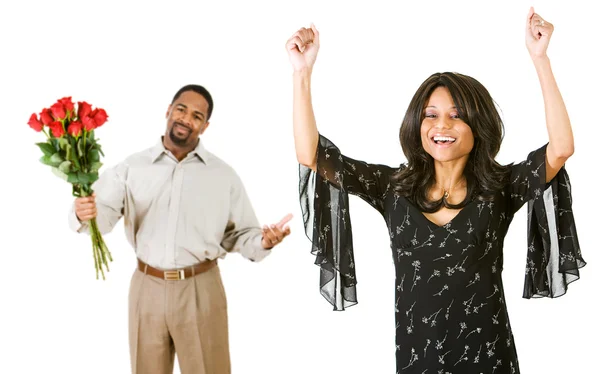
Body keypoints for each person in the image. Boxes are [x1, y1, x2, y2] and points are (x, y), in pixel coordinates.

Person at [287, 8, 584, 373]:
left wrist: (540, 60)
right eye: (431, 114)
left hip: (489, 359)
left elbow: (561, 148)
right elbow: (311, 154)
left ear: (479, 126)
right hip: (418, 360)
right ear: (417, 123)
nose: (442, 125)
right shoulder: (391, 188)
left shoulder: (501, 189)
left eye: (457, 115)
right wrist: (302, 73)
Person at [69, 84, 292, 374]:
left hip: (201, 288)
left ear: (205, 126)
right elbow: (104, 217)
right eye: (181, 109)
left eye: (197, 116)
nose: (187, 118)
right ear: (168, 111)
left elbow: (240, 235)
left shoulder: (222, 176)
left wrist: (264, 242)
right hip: (146, 287)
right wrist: (82, 214)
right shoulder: (131, 168)